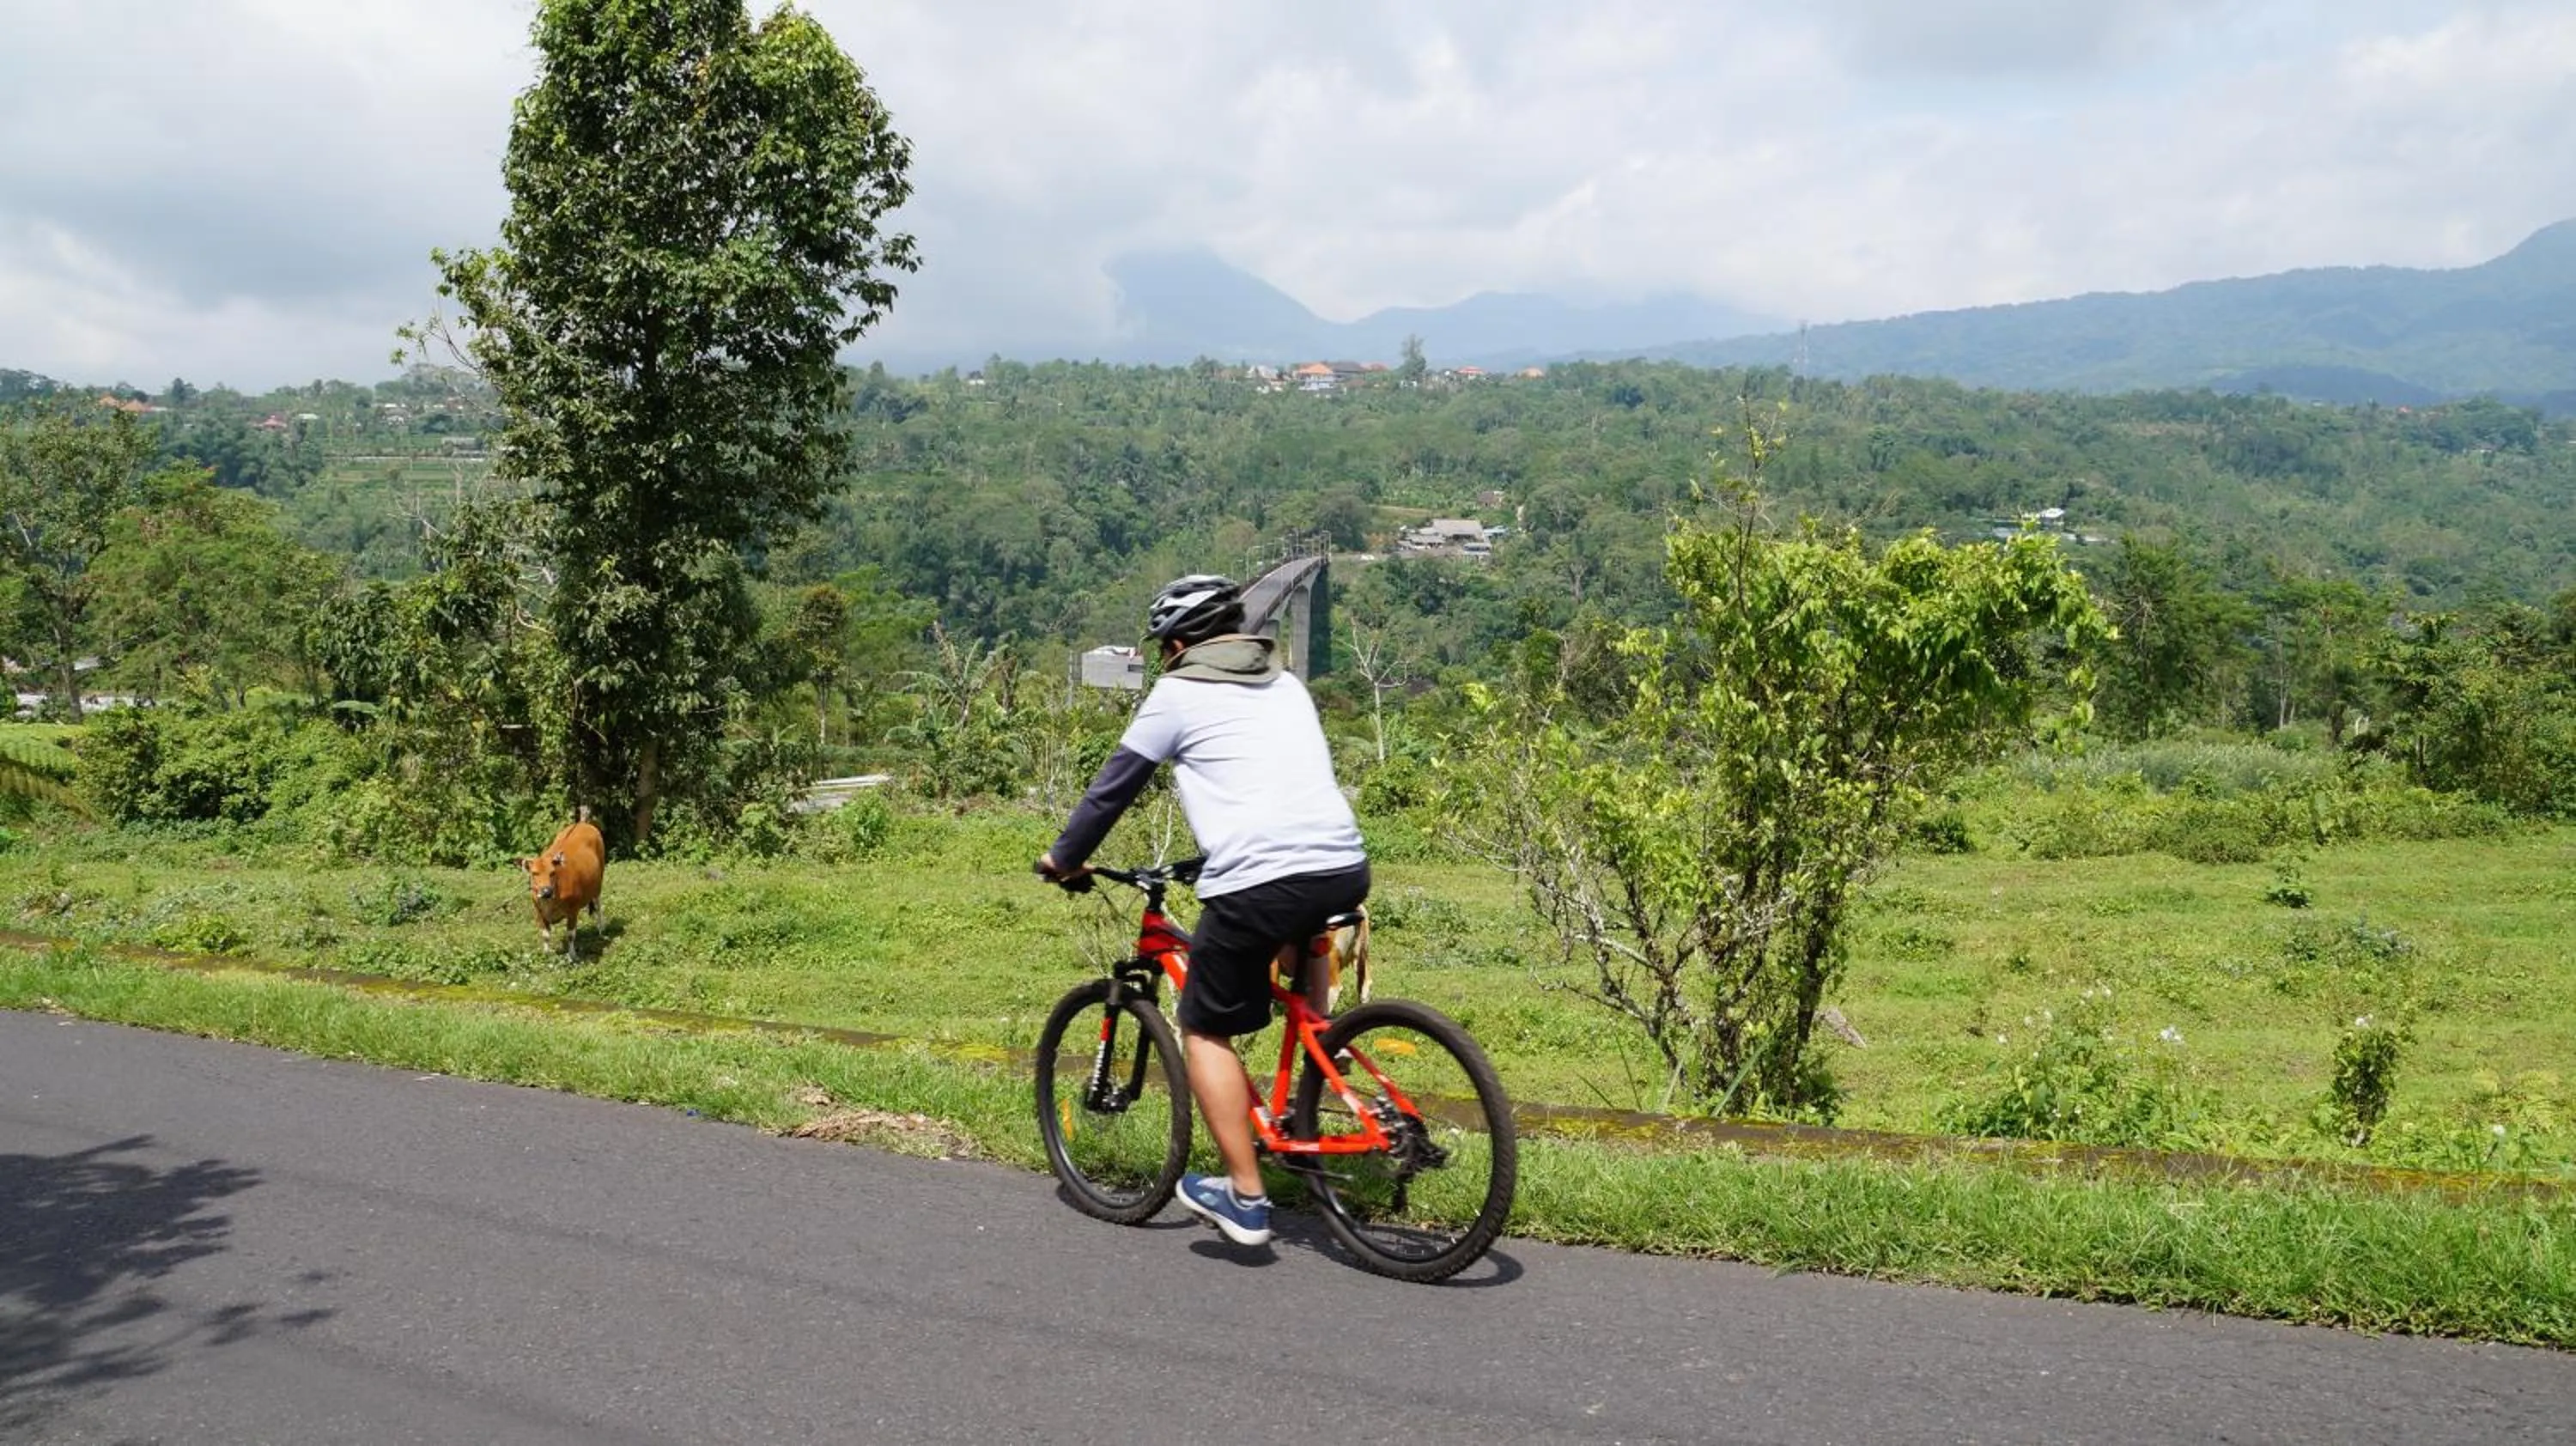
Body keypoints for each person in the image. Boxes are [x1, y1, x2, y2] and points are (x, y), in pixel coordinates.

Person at [1036, 574, 1369, 1248]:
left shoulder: (1177, 693)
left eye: (1163, 647)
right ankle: (1313, 1080)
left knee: (1203, 1030)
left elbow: (1110, 792)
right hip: (1341, 865)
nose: (1163, 659)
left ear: (1182, 644)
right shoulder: (1287, 683)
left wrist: (1063, 858)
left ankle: (1246, 1199)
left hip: (1262, 879)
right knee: (1287, 976)